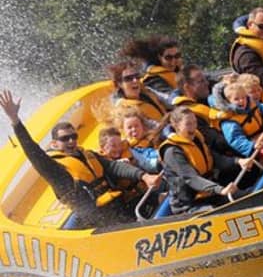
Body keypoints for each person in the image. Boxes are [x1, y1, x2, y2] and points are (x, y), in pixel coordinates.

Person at [0, 89, 161, 227]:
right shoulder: (55, 170)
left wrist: (144, 176)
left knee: (158, 195)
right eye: (65, 139)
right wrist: (15, 121)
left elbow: (114, 167)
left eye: (73, 136)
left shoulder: (88, 155)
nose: (71, 141)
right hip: (99, 222)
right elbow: (32, 151)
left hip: (118, 206)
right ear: (54, 144)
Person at [158, 107, 253, 215]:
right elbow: (190, 178)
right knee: (216, 213)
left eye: (194, 123)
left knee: (247, 197)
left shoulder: (196, 139)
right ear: (176, 126)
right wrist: (219, 189)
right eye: (188, 124)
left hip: (209, 194)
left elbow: (214, 158)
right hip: (190, 204)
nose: (193, 127)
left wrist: (238, 161)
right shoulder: (172, 151)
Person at [209, 81, 263, 159]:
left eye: (243, 97)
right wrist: (252, 146)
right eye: (236, 99)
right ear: (229, 101)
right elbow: (236, 140)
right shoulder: (229, 120)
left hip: (262, 133)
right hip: (250, 143)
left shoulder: (251, 104)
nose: (241, 101)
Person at [171, 64, 230, 154]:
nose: (207, 83)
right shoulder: (188, 115)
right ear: (187, 87)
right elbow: (216, 142)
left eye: (205, 79)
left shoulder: (210, 100)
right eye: (201, 81)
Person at [120, 35, 182, 105]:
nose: (173, 61)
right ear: (159, 57)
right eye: (168, 57)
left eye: (177, 56)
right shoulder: (152, 79)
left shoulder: (180, 72)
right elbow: (170, 99)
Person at [107, 60, 166, 128]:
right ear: (119, 84)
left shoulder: (147, 92)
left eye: (137, 76)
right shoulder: (123, 110)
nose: (135, 80)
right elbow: (148, 125)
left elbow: (167, 100)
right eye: (128, 78)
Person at [116, 107, 161, 173]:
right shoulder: (126, 148)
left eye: (136, 126)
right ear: (123, 130)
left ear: (142, 126)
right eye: (129, 127)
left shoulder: (152, 137)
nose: (134, 129)